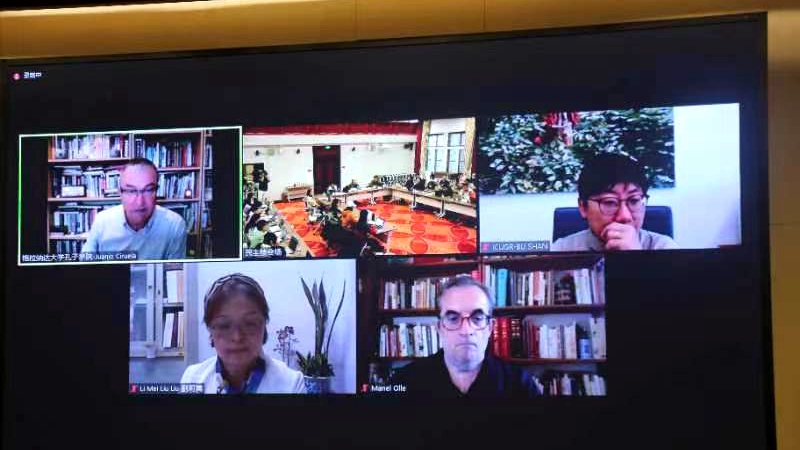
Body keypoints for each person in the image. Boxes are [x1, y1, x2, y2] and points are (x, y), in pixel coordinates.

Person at [392, 277, 541, 398]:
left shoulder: (520, 384)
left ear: (490, 328)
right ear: (439, 328)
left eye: (477, 318)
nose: (466, 330)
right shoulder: (403, 381)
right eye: (453, 318)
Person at [181, 274, 307, 394]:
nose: (237, 337)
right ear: (210, 330)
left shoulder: (292, 384)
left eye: (250, 324)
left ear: (264, 327)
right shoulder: (192, 378)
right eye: (224, 326)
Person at [550, 153, 678, 251]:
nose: (624, 216)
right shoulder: (561, 251)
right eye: (610, 202)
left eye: (634, 200)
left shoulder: (664, 248)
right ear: (583, 207)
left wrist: (636, 257)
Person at [82, 158, 186, 260]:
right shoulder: (102, 221)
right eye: (131, 191)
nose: (140, 202)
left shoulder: (174, 225)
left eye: (148, 190)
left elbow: (174, 270)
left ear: (156, 191)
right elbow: (85, 262)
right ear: (120, 193)